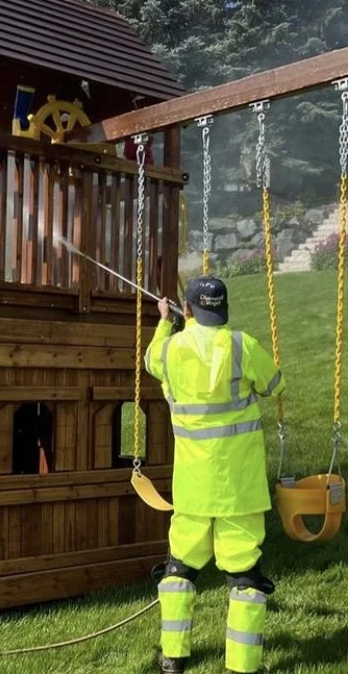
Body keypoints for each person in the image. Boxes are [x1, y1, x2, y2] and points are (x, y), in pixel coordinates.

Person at [144, 276, 285, 674]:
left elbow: (150, 360)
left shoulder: (171, 349)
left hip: (192, 486)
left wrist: (163, 321)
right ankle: (243, 666)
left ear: (186, 310)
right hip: (240, 487)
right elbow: (276, 384)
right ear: (222, 309)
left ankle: (173, 657)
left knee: (180, 568)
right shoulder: (243, 345)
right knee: (244, 574)